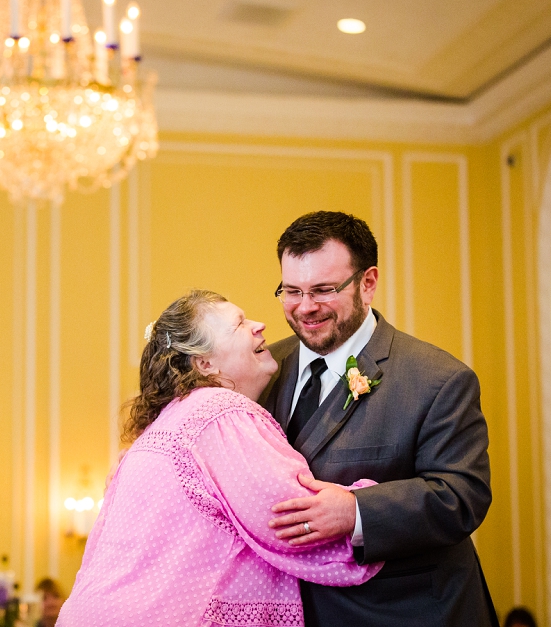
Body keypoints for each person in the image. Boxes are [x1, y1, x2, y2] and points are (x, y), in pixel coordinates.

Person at [57, 290, 382, 626]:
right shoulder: (219, 412)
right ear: (205, 364)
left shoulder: (161, 426)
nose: (259, 325)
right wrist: (367, 507)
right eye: (239, 324)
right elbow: (287, 519)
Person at [261, 211, 497, 626]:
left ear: (367, 283)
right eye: (291, 291)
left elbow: (462, 496)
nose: (305, 307)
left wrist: (356, 512)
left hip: (406, 612)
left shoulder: (439, 379)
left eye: (324, 289)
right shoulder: (261, 368)